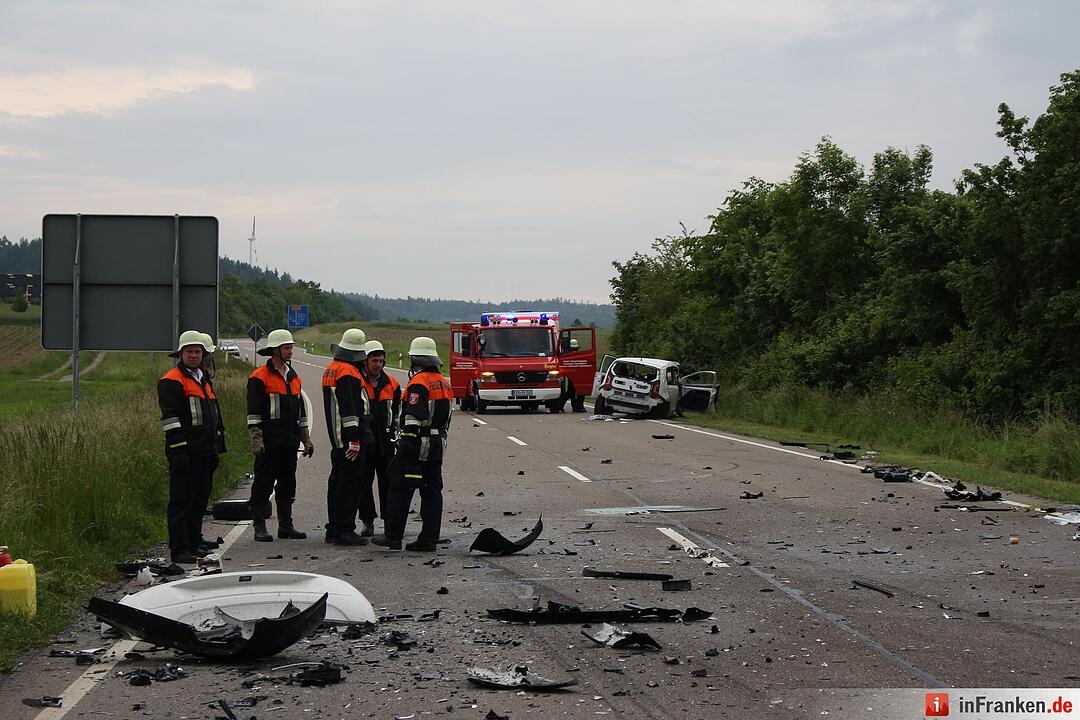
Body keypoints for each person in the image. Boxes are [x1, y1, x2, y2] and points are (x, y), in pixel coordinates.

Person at [372, 337, 452, 552]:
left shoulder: (418, 383)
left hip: (417, 447)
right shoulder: (443, 382)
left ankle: (393, 537)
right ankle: (428, 539)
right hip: (437, 445)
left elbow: (413, 420)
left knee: (399, 488)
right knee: (432, 492)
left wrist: (406, 450)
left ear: (415, 359)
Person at [157, 330, 226, 564]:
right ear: (181, 354)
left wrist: (217, 447)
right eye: (190, 352)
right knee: (181, 502)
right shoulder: (172, 381)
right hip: (186, 453)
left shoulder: (202, 378)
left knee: (199, 500)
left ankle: (194, 542)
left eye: (198, 352)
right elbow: (170, 419)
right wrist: (178, 450)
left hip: (206, 451)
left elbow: (214, 415)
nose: (194, 355)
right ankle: (179, 548)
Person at [247, 329, 313, 542]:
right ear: (275, 350)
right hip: (269, 442)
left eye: (291, 347)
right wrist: (256, 438)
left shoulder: (294, 377)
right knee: (263, 483)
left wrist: (306, 439)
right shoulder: (259, 377)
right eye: (287, 347)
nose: (290, 351)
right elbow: (254, 412)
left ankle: (286, 526)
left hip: (289, 441)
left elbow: (300, 414)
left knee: (287, 483)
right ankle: (259, 526)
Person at [321, 329, 374, 545]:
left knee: (336, 483)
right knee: (350, 485)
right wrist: (354, 439)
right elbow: (350, 411)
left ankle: (333, 528)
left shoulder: (331, 369)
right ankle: (344, 530)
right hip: (349, 440)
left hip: (337, 440)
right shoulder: (349, 374)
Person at [357, 339, 402, 536]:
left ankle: (389, 521)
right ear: (365, 361)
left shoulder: (392, 384)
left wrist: (396, 437)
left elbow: (398, 413)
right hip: (365, 442)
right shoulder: (357, 380)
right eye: (374, 361)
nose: (378, 365)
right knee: (364, 484)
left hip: (386, 442)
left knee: (388, 483)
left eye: (381, 361)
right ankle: (368, 521)